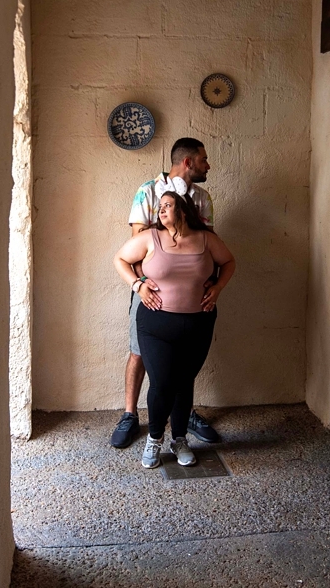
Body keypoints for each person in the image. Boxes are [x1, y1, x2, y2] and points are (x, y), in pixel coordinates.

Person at [109, 138, 222, 448]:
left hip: (191, 297)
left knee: (185, 359)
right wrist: (141, 285)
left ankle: (183, 416)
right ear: (188, 162)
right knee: (139, 350)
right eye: (203, 159)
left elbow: (207, 241)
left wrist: (212, 283)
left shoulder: (203, 198)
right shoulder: (147, 191)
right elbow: (138, 242)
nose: (207, 165)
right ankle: (130, 414)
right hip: (149, 289)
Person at [113, 192, 235, 468]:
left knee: (184, 381)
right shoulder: (150, 238)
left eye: (168, 205)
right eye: (160, 207)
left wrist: (217, 288)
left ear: (183, 210)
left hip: (198, 322)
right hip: (155, 324)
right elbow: (120, 259)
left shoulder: (206, 239)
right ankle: (154, 439)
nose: (161, 210)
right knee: (162, 383)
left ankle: (179, 439)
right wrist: (138, 285)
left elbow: (229, 262)